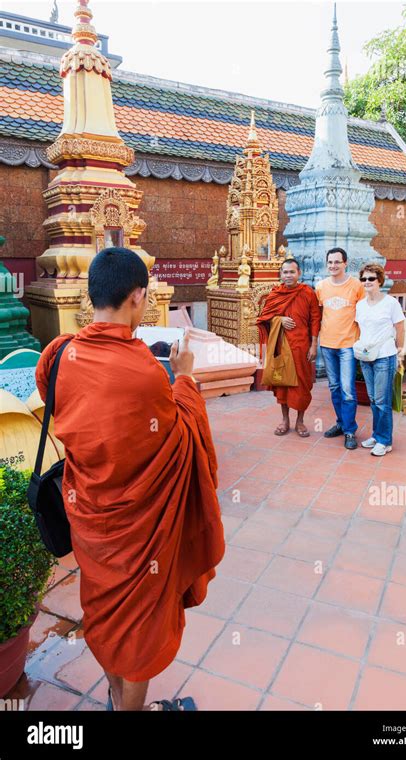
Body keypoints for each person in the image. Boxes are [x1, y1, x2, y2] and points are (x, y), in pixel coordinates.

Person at [35, 247, 225, 711]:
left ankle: (116, 696)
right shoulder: (144, 370)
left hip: (90, 517)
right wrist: (184, 380)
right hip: (140, 529)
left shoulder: (58, 354)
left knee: (103, 612)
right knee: (139, 629)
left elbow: (60, 403)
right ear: (138, 297)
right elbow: (178, 436)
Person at [257, 258, 321, 437]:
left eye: (292, 272)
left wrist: (314, 344)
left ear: (299, 273)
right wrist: (279, 320)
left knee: (302, 384)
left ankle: (300, 421)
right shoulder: (275, 294)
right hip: (281, 346)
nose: (288, 275)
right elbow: (263, 318)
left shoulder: (308, 293)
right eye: (285, 272)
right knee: (282, 384)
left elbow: (315, 319)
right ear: (281, 274)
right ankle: (285, 420)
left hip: (301, 346)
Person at [315, 248, 365, 450]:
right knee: (334, 387)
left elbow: (364, 315)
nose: (333, 266)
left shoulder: (356, 286)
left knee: (348, 390)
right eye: (330, 262)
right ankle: (340, 423)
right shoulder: (321, 287)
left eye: (337, 262)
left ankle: (350, 431)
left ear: (345, 263)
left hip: (348, 345)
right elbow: (317, 314)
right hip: (327, 344)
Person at [355, 262, 405, 456]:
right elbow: (361, 329)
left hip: (385, 355)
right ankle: (377, 435)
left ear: (380, 281)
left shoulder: (390, 303)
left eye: (371, 279)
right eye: (364, 279)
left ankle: (385, 440)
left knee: (383, 400)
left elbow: (400, 328)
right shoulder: (360, 305)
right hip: (366, 356)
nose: (367, 282)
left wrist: (400, 352)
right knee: (374, 398)